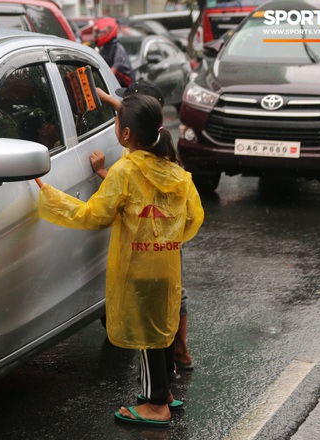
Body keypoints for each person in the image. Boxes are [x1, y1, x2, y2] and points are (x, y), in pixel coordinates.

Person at [34, 94, 204, 427]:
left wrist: (50, 196)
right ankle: (165, 392)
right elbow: (193, 217)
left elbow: (95, 215)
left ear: (126, 135)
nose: (114, 126)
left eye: (115, 122)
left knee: (147, 337)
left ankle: (156, 406)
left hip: (138, 267)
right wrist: (165, 240)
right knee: (162, 329)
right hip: (167, 266)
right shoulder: (176, 172)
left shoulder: (124, 171)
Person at [90, 80, 196, 374]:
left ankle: (173, 363)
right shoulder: (158, 141)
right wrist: (107, 99)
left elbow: (134, 192)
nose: (119, 114)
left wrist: (101, 172)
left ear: (131, 128)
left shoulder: (143, 158)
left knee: (158, 305)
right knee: (170, 294)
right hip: (168, 239)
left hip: (150, 242)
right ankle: (175, 361)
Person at [93, 17, 136, 87]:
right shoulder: (104, 48)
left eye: (99, 33)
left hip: (125, 88)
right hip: (115, 85)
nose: (97, 36)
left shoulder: (118, 48)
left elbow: (113, 70)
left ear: (107, 32)